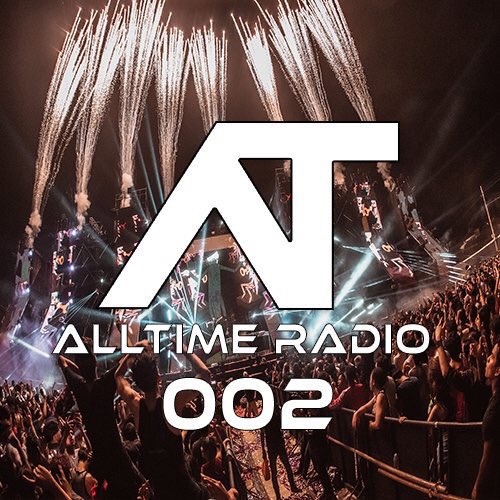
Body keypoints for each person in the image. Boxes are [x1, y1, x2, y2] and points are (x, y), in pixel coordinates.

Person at [115, 339, 212, 499]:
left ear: (136, 383)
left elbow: (118, 376)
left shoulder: (136, 405)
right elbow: (205, 374)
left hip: (160, 494)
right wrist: (185, 350)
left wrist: (134, 351)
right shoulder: (172, 403)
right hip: (186, 492)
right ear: (158, 377)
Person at [58, 339, 144, 499]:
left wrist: (78, 372)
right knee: (141, 491)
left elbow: (61, 360)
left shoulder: (78, 386)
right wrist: (137, 347)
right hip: (117, 455)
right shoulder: (104, 383)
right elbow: (126, 361)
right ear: (95, 362)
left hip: (99, 460)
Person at [472, 342, 500, 499]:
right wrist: (478, 359)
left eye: (492, 357)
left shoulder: (494, 411)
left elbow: (487, 458)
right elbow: (483, 387)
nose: (487, 358)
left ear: (498, 371)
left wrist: (477, 488)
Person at [260, 404, 299, 500]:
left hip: (273, 445)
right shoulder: (275, 413)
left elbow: (262, 434)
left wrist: (263, 450)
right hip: (277, 443)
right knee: (284, 467)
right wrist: (263, 450)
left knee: (277, 471)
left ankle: (280, 494)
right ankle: (290, 488)